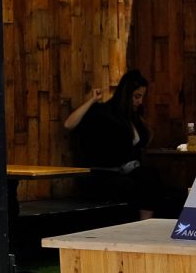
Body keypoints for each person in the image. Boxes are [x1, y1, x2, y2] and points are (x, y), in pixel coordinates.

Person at [66, 70, 157, 214]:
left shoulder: (133, 117)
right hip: (105, 174)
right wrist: (92, 101)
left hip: (127, 171)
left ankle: (148, 223)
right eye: (137, 97)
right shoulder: (104, 112)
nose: (140, 102)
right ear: (126, 95)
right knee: (140, 185)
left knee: (154, 179)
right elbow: (69, 124)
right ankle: (143, 225)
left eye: (141, 97)